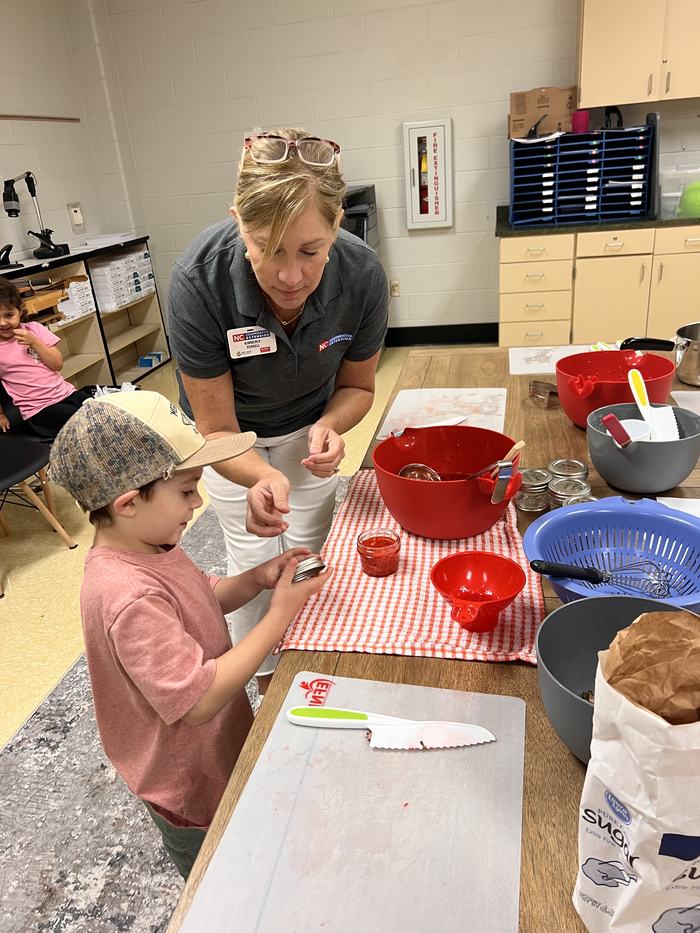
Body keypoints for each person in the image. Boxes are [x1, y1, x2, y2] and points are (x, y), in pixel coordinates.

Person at [48, 390, 332, 879]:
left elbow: (201, 596)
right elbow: (198, 700)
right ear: (129, 502)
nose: (197, 502)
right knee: (219, 877)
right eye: (186, 490)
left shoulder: (154, 542)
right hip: (187, 779)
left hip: (215, 745)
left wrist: (259, 578)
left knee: (245, 831)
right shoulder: (127, 595)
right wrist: (278, 615)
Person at [168, 128, 388, 691]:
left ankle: (315, 673)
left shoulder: (362, 276)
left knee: (311, 555)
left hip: (307, 431)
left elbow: (358, 388)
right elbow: (216, 429)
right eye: (266, 247)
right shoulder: (200, 280)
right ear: (238, 220)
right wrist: (261, 474)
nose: (289, 276)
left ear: (337, 225)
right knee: (255, 566)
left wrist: (330, 427)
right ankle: (266, 685)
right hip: (231, 444)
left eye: (310, 252)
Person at [0, 277, 92, 438]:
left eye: (9, 315)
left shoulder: (35, 330)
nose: (2, 323)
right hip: (39, 410)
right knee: (82, 419)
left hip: (67, 394)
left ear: (20, 311)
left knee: (100, 407)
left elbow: (57, 364)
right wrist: (0, 415)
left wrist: (35, 342)